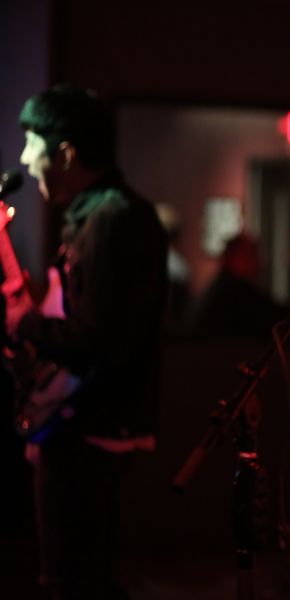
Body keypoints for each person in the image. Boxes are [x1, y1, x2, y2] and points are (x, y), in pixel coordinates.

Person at [3, 85, 168, 599]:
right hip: (85, 421)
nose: (24, 160)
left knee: (71, 579)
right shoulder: (100, 216)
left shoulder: (111, 220)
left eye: (32, 143)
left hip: (87, 424)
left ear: (67, 154)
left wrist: (23, 324)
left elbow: (98, 339)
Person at [190, 232, 288, 339]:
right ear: (234, 257)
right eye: (251, 255)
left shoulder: (221, 287)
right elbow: (275, 316)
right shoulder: (236, 292)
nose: (260, 262)